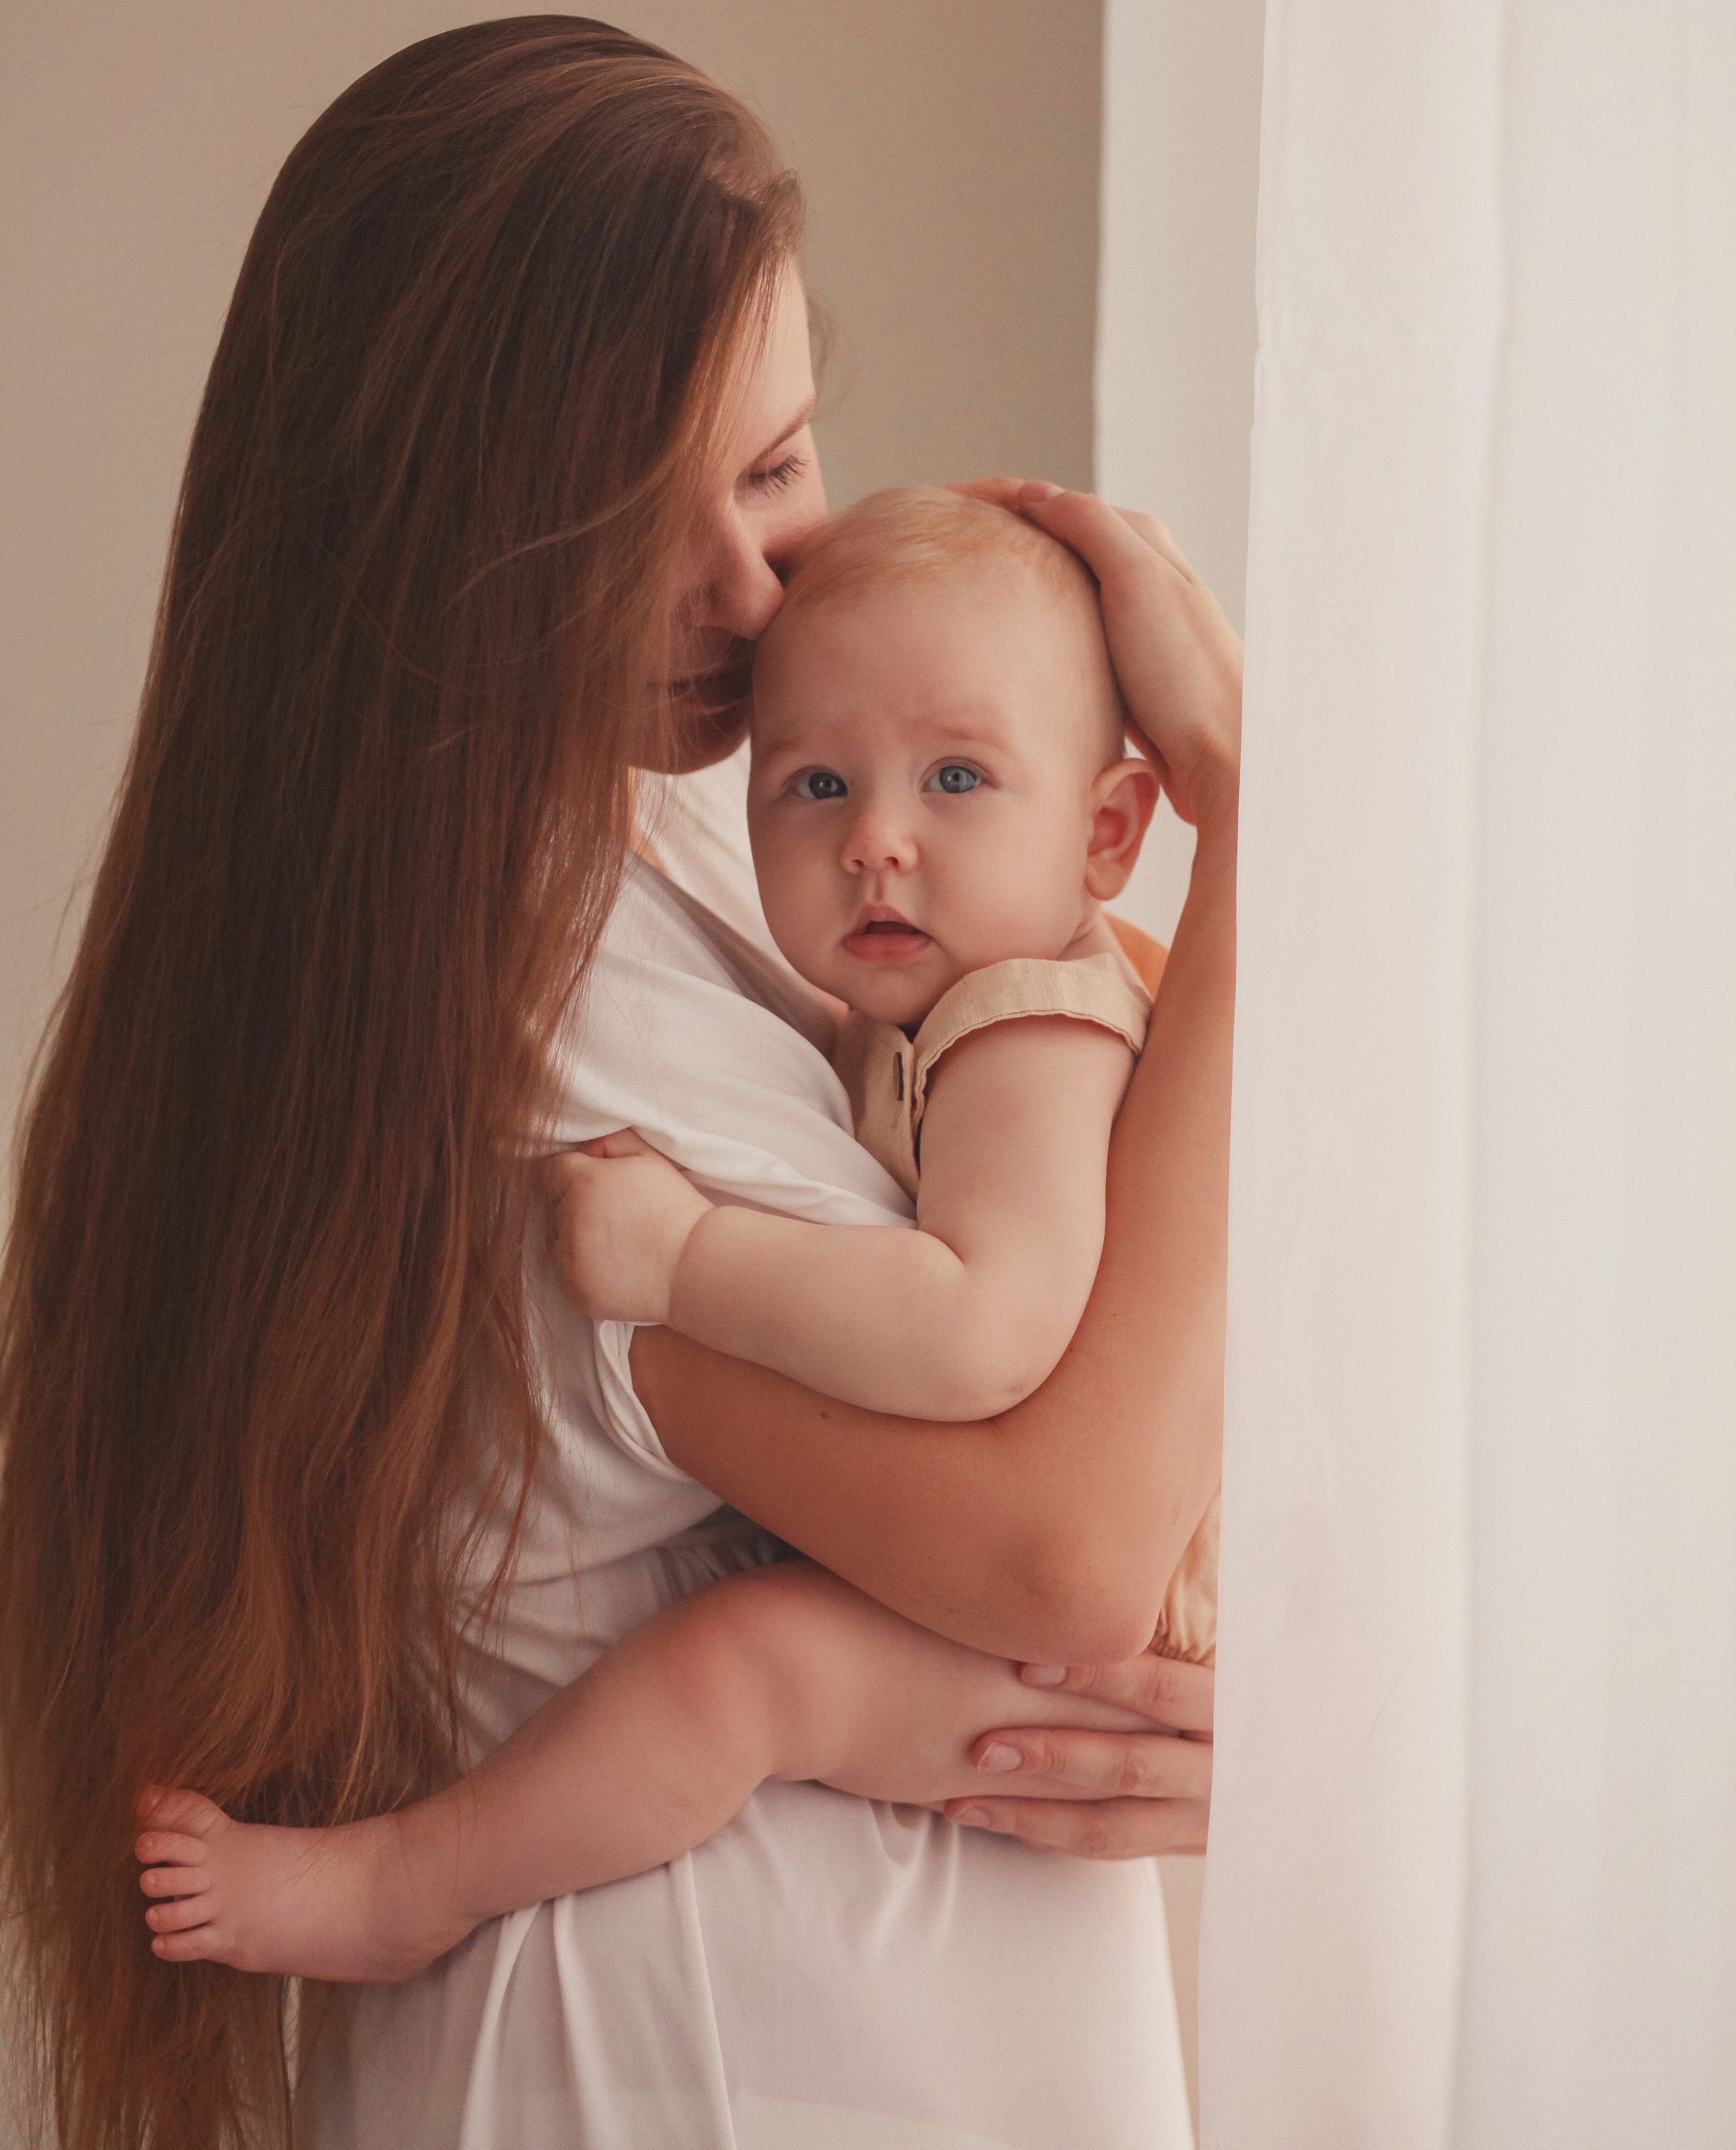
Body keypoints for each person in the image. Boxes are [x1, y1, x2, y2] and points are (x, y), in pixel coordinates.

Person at [0, 18, 1237, 2150]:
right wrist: (1263, 843)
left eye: (771, 468)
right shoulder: (537, 1010)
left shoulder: (676, 841)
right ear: (436, 547)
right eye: (631, 525)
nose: (759, 597)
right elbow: (1059, 1555)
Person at [127, 488, 1217, 1988]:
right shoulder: (927, 1001)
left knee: (741, 1672)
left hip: (1109, 1654)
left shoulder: (1025, 1034)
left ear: (1105, 832)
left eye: (955, 778)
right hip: (1104, 1623)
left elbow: (978, 1331)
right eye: (817, 785)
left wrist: (686, 1260)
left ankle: (405, 1884)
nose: (876, 845)